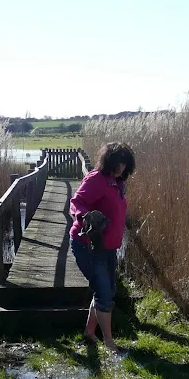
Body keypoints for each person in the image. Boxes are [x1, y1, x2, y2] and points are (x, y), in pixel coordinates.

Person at [69, 142, 135, 351]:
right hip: (88, 245)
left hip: (108, 247)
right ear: (108, 161)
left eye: (125, 163)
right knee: (104, 292)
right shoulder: (97, 179)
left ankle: (89, 332)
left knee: (106, 290)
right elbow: (77, 201)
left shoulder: (117, 184)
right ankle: (108, 341)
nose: (121, 167)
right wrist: (83, 216)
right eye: (118, 162)